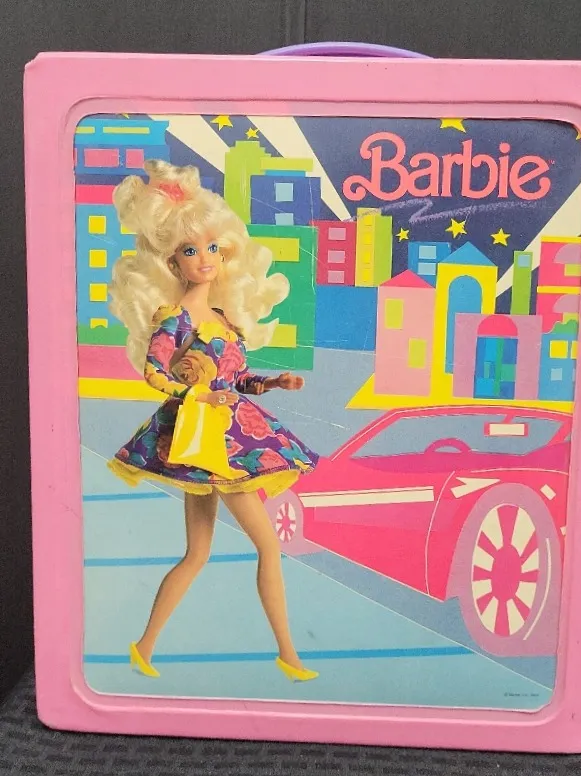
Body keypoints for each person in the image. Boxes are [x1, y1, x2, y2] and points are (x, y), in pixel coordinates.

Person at [107, 159, 319, 682]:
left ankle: (143, 646)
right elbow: (155, 375)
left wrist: (272, 382)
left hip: (225, 431)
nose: (204, 258)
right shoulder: (174, 319)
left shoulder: (222, 319)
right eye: (190, 250)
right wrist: (198, 393)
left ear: (224, 252)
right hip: (208, 441)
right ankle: (289, 654)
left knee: (198, 552)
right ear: (172, 262)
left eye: (211, 247)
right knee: (265, 545)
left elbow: (236, 380)